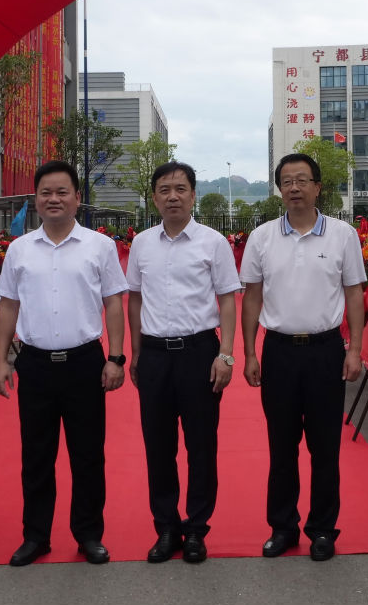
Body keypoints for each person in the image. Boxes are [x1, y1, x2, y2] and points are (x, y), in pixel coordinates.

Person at [0, 160, 128, 567]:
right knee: (36, 456)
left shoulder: (99, 246)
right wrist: (0, 360)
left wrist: (115, 358)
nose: (54, 199)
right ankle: (36, 536)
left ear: (77, 198)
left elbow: (113, 303)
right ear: (36, 199)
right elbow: (8, 305)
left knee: (88, 456)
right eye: (46, 192)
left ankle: (89, 535)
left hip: (84, 363)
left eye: (62, 192)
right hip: (35, 365)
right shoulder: (19, 249)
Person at [239, 153, 365, 562]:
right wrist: (249, 352)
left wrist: (355, 349)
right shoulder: (262, 237)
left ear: (318, 187)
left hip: (326, 351)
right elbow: (252, 297)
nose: (294, 188)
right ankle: (283, 527)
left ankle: (323, 529)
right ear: (279, 189)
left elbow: (354, 294)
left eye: (302, 180)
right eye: (287, 182)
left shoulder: (343, 235)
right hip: (278, 352)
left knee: (325, 448)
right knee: (282, 447)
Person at [125, 161, 242, 564]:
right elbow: (135, 299)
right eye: (164, 190)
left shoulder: (213, 243)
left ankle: (196, 529)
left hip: (199, 354)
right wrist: (136, 352)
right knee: (158, 446)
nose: (172, 196)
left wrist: (226, 353)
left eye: (180, 189)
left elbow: (227, 299)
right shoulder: (142, 244)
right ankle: (166, 527)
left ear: (193, 194)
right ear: (154, 197)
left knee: (201, 446)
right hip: (155, 354)